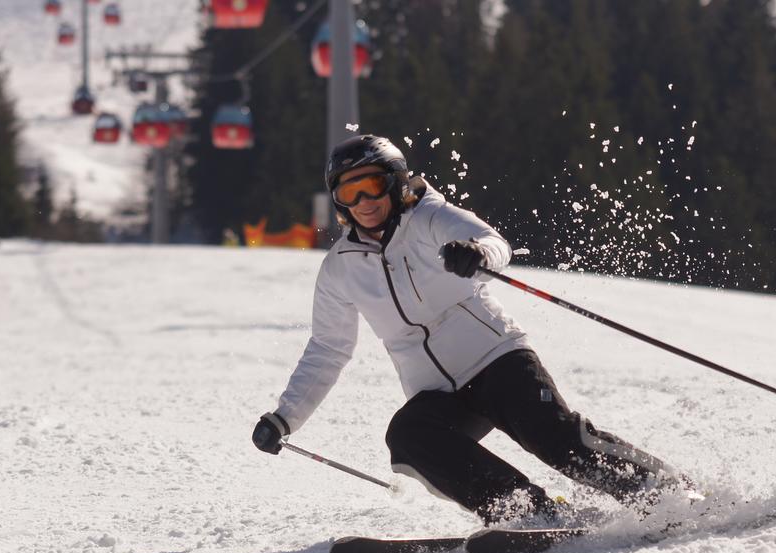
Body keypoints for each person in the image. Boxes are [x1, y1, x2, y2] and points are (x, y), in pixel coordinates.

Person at [252, 134, 686, 525]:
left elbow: (496, 243)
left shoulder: (429, 217)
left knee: (555, 440)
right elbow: (328, 349)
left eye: (373, 184)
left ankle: (669, 493)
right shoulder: (339, 269)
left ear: (397, 182)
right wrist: (285, 418)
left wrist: (477, 253)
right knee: (409, 437)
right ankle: (528, 512)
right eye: (350, 191)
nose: (365, 200)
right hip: (438, 392)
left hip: (496, 361)